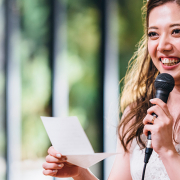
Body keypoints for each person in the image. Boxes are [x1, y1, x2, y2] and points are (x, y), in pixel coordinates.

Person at [42, 0, 180, 179]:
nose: (162, 46)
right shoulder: (137, 115)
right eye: (153, 34)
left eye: (176, 31)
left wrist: (168, 152)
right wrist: (80, 172)